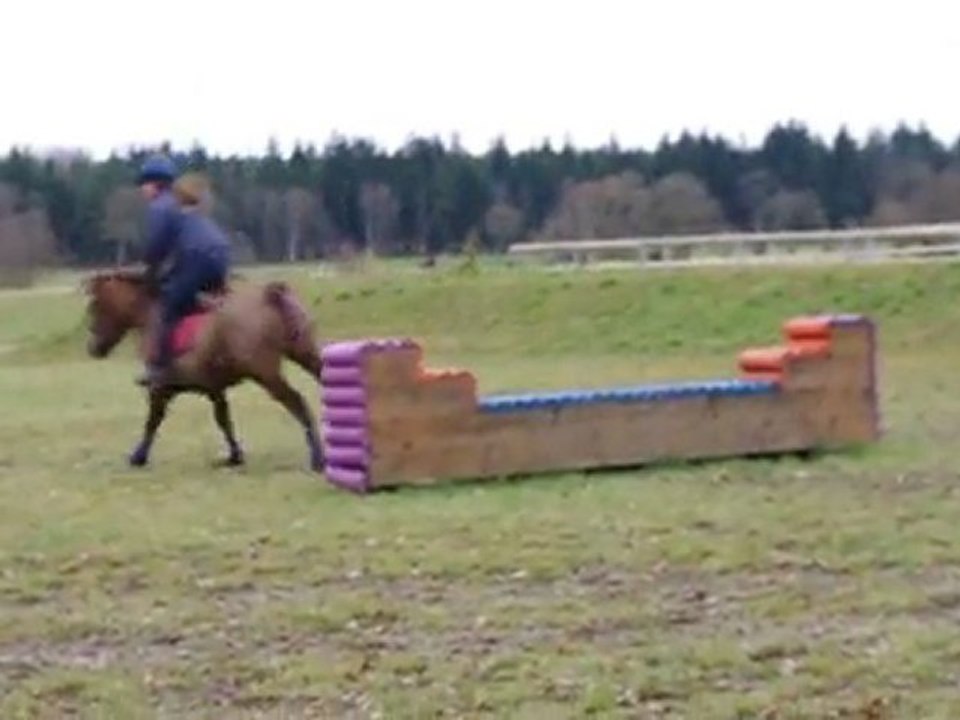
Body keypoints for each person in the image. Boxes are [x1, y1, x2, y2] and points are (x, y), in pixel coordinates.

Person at [136, 154, 231, 388]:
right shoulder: (181, 203)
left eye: (143, 184)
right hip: (220, 255)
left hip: (197, 258)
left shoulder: (160, 206)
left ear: (154, 184)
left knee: (168, 305)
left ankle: (159, 368)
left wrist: (149, 269)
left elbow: (158, 246)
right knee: (188, 294)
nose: (141, 190)